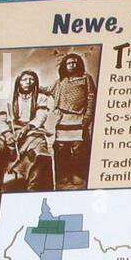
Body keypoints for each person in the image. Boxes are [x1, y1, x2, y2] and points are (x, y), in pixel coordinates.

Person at [0, 69, 53, 201]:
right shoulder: (10, 98)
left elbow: (41, 116)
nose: (28, 82)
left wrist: (26, 128)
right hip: (8, 129)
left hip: (32, 130)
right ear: (19, 82)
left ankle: (34, 191)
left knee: (40, 153)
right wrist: (7, 133)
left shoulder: (40, 98)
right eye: (24, 79)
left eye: (31, 79)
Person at [51, 52, 97, 190]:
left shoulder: (86, 78)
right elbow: (50, 90)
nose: (72, 65)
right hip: (63, 119)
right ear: (65, 65)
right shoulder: (61, 81)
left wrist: (87, 117)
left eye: (74, 62)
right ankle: (63, 176)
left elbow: (91, 98)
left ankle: (78, 175)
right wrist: (34, 86)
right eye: (69, 63)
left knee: (79, 150)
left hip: (79, 118)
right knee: (61, 150)